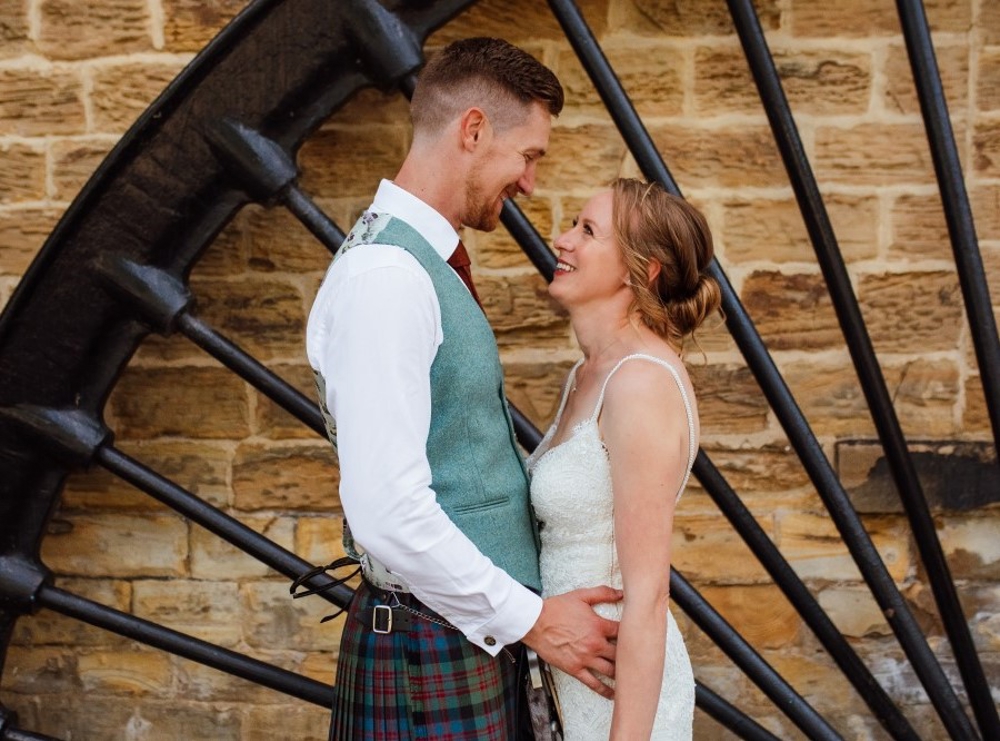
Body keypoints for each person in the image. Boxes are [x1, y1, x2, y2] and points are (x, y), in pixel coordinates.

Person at [305, 37, 620, 740]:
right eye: (529, 156)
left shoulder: (419, 265)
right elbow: (387, 509)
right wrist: (535, 620)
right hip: (426, 652)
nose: (531, 183)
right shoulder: (386, 279)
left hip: (458, 639)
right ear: (473, 130)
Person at [527, 178, 722, 739]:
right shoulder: (587, 373)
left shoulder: (639, 382)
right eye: (573, 225)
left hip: (617, 693)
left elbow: (648, 594)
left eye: (587, 231)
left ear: (645, 267)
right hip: (573, 676)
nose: (563, 241)